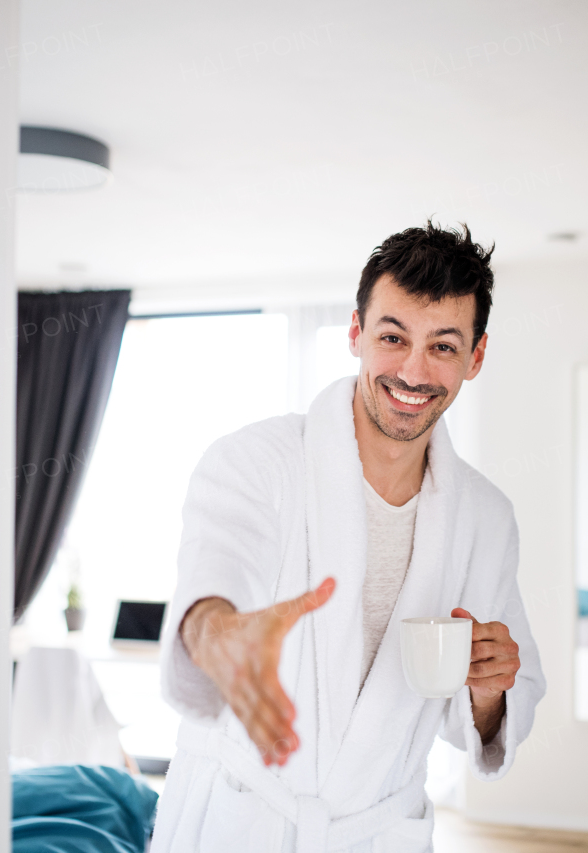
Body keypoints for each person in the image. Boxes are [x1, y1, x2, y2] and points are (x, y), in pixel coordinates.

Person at [152, 222, 546, 852]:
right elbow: (216, 570)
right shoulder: (256, 461)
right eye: (394, 338)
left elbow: (497, 711)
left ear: (475, 357)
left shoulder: (486, 518)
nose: (414, 371)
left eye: (443, 346)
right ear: (357, 334)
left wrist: (489, 688)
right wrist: (217, 632)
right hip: (241, 823)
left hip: (378, 832)